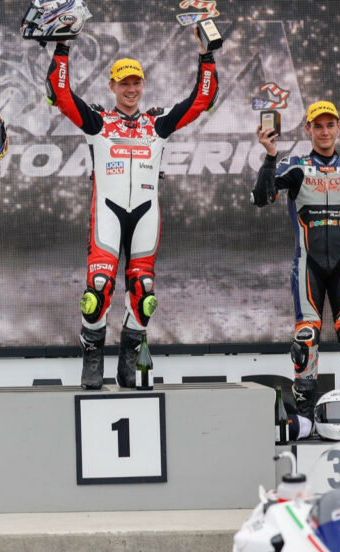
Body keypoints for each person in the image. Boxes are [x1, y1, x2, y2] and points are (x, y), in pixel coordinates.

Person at [45, 29, 219, 389]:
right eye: (124, 83)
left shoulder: (157, 124)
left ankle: (129, 357)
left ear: (142, 85)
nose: (130, 89)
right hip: (107, 213)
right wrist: (62, 47)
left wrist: (206, 55)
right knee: (98, 288)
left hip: (145, 215)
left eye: (136, 82)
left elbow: (202, 100)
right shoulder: (97, 122)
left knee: (144, 292)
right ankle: (92, 359)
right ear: (111, 85)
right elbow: (60, 94)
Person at [252, 100, 340, 435]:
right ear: (307, 129)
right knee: (306, 337)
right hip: (307, 264)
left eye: (330, 125)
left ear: (338, 127)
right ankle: (306, 414)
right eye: (318, 126)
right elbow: (260, 198)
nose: (324, 132)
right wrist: (269, 156)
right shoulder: (294, 166)